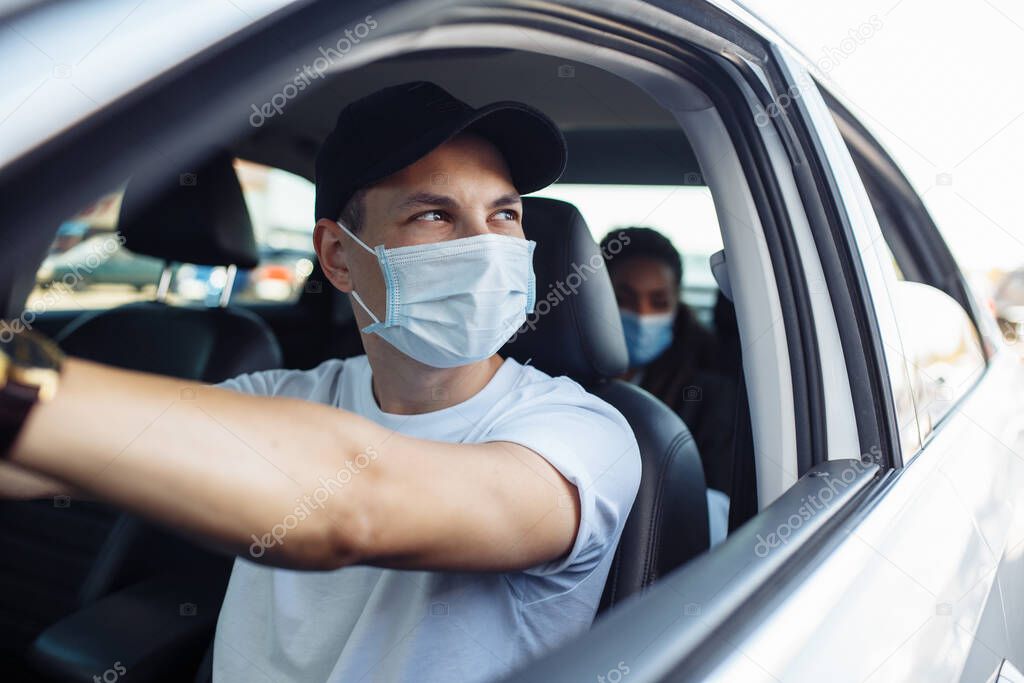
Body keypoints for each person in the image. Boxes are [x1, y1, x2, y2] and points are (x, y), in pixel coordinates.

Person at [0, 82, 641, 683]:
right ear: (338, 257)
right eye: (434, 216)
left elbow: (352, 505)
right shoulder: (280, 398)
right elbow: (54, 459)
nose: (484, 246)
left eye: (504, 216)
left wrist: (18, 386)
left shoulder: (583, 437)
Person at [600, 227, 737, 542]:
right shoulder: (560, 375)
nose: (642, 314)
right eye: (624, 299)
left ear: (676, 305)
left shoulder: (708, 393)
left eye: (658, 301)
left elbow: (718, 511)